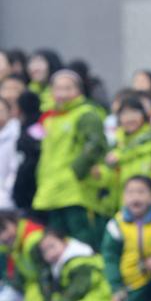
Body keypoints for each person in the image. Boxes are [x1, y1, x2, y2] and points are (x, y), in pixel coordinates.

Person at [31, 70, 108, 250]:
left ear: (79, 91)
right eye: (57, 88)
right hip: (52, 191)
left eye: (68, 88)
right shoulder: (50, 118)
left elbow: (96, 144)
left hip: (75, 192)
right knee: (57, 247)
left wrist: (77, 170)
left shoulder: (86, 113)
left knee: (82, 244)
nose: (62, 93)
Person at [105, 95, 151, 207]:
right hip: (123, 206)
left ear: (143, 115)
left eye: (134, 113)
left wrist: (121, 155)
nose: (129, 118)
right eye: (124, 114)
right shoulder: (115, 142)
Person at [37, 229, 111, 301]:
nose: (50, 253)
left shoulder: (79, 262)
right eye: (45, 251)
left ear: (65, 242)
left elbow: (77, 290)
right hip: (94, 293)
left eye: (52, 246)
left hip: (105, 290)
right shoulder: (56, 266)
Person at [0, 211, 45, 301]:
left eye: (4, 229)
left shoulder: (33, 240)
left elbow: (48, 275)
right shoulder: (11, 242)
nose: (3, 236)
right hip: (36, 281)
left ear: (13, 222)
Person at [12, 91, 43, 214]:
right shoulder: (42, 125)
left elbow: (28, 161)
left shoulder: (28, 130)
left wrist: (18, 192)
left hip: (30, 190)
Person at [0, 97, 20, 210]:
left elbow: (14, 169)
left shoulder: (16, 134)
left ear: (10, 112)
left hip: (8, 199)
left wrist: (6, 192)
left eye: (1, 110)